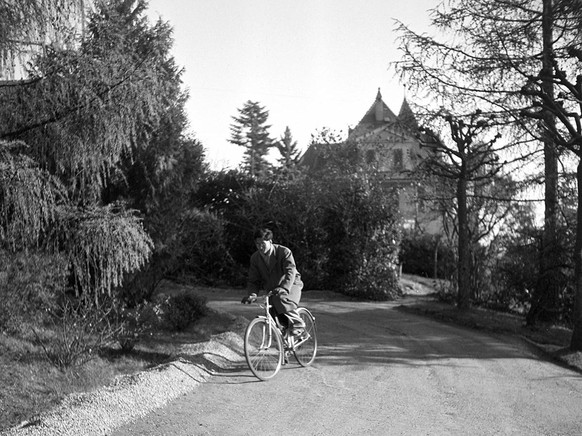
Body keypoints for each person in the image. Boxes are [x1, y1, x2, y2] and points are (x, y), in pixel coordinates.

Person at [241, 228, 305, 335]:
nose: (260, 247)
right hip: (273, 288)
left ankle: (298, 324)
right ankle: (284, 341)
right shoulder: (255, 258)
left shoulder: (284, 252)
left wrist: (284, 287)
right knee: (271, 311)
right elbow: (253, 280)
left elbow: (290, 271)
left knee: (281, 300)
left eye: (262, 243)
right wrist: (252, 294)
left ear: (270, 242)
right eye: (257, 244)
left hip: (291, 284)